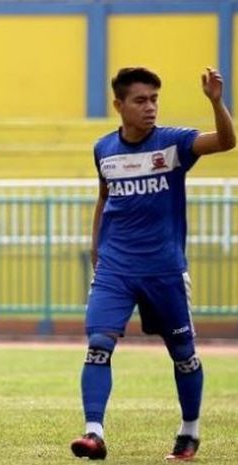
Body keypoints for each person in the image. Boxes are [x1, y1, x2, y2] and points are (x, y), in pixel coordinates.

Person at [70, 67, 235, 461]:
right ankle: (93, 433)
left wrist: (215, 101)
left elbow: (227, 142)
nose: (150, 108)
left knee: (183, 353)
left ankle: (189, 431)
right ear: (119, 105)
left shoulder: (174, 143)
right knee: (97, 346)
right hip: (115, 269)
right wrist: (97, 248)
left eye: (155, 99)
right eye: (141, 100)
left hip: (164, 270)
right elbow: (104, 198)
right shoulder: (103, 149)